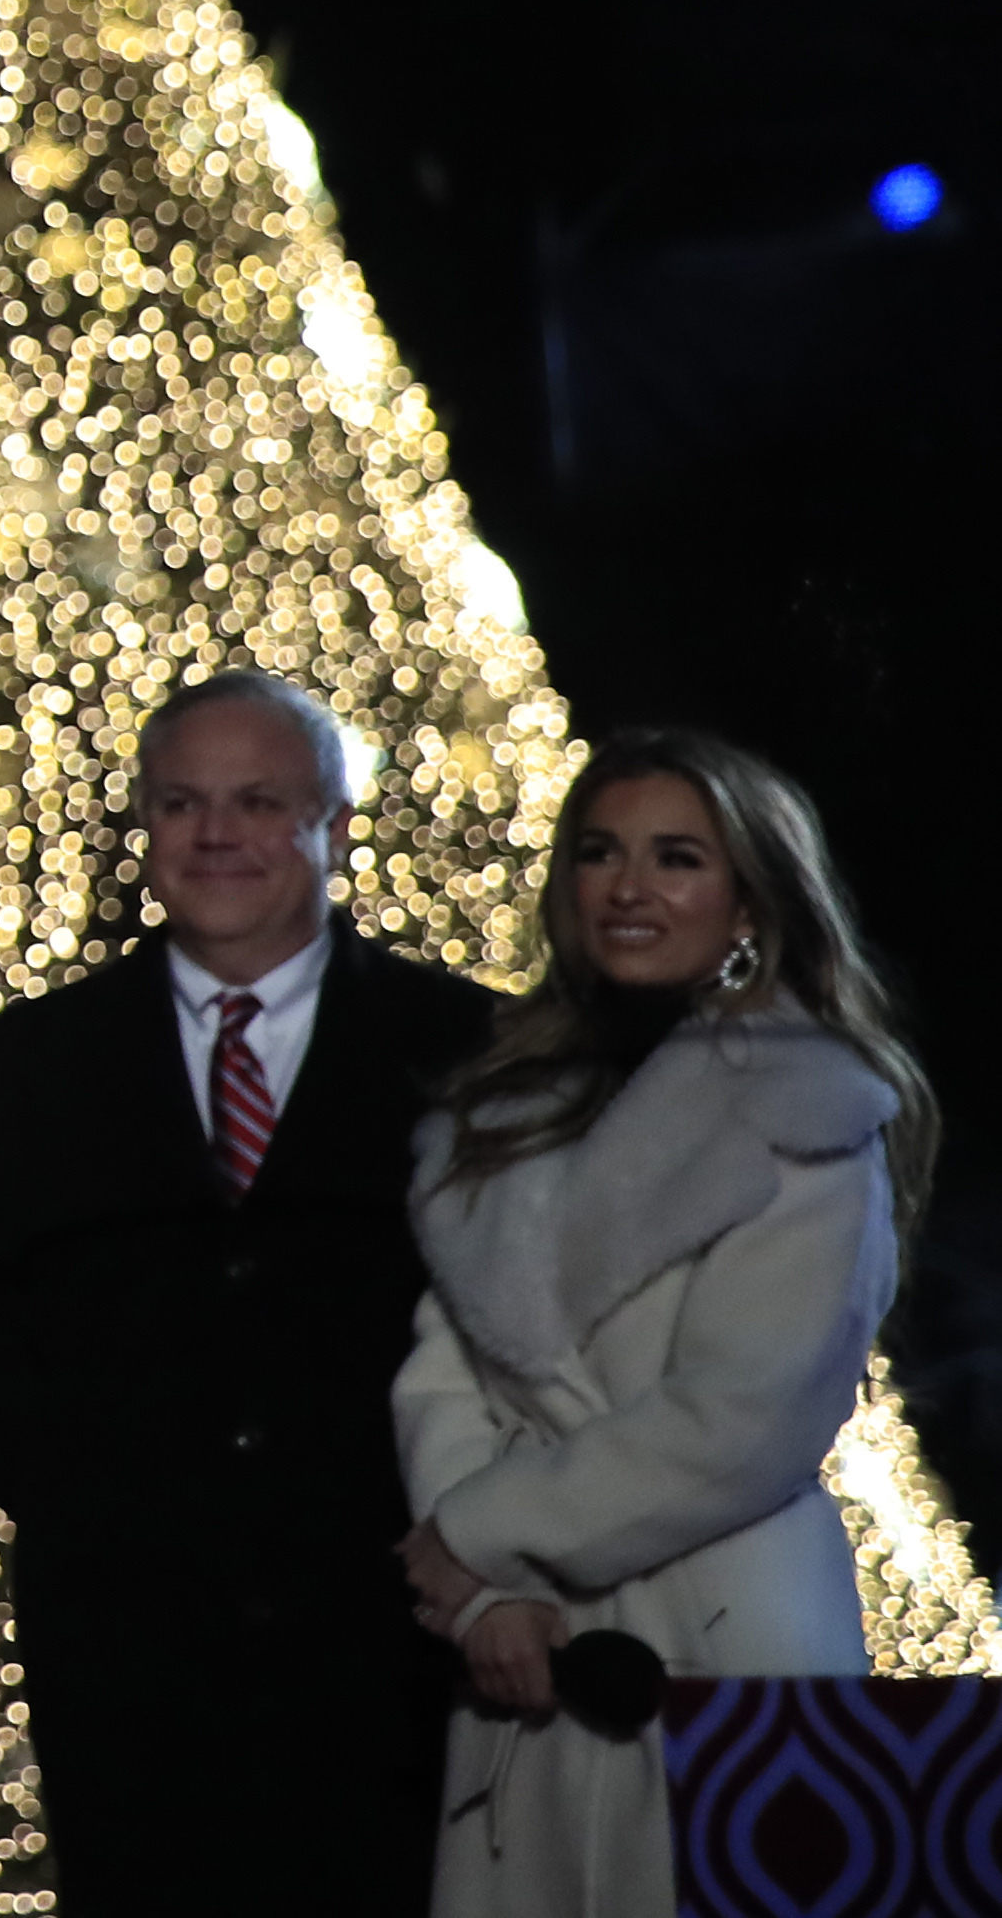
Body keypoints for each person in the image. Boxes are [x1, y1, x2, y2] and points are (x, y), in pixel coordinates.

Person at [0, 668, 498, 1914]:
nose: (215, 834)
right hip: (130, 1657)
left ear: (335, 825)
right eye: (181, 802)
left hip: (406, 1644)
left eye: (257, 801)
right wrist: (114, 1515)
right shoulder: (16, 1073)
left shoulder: (478, 1055)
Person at [396, 735, 927, 1914]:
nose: (628, 886)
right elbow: (443, 1376)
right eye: (600, 852)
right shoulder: (499, 1108)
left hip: (723, 1650)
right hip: (528, 1655)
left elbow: (744, 1416)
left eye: (676, 857)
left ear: (749, 899)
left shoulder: (810, 1105)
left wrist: (485, 1531)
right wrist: (482, 1597)